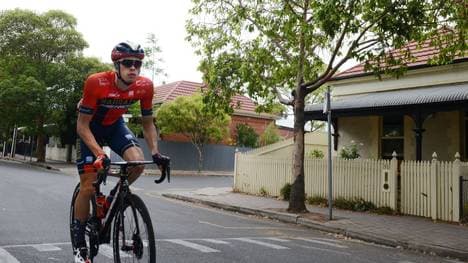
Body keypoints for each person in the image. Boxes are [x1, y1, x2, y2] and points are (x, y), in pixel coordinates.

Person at [72, 41, 167, 263]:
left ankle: (115, 197)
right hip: (91, 128)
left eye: (137, 63)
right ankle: (79, 246)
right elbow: (81, 125)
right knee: (88, 185)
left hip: (115, 127)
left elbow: (147, 123)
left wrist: (155, 152)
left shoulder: (145, 86)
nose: (133, 68)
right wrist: (99, 153)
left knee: (138, 163)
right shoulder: (96, 82)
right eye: (127, 63)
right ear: (117, 65)